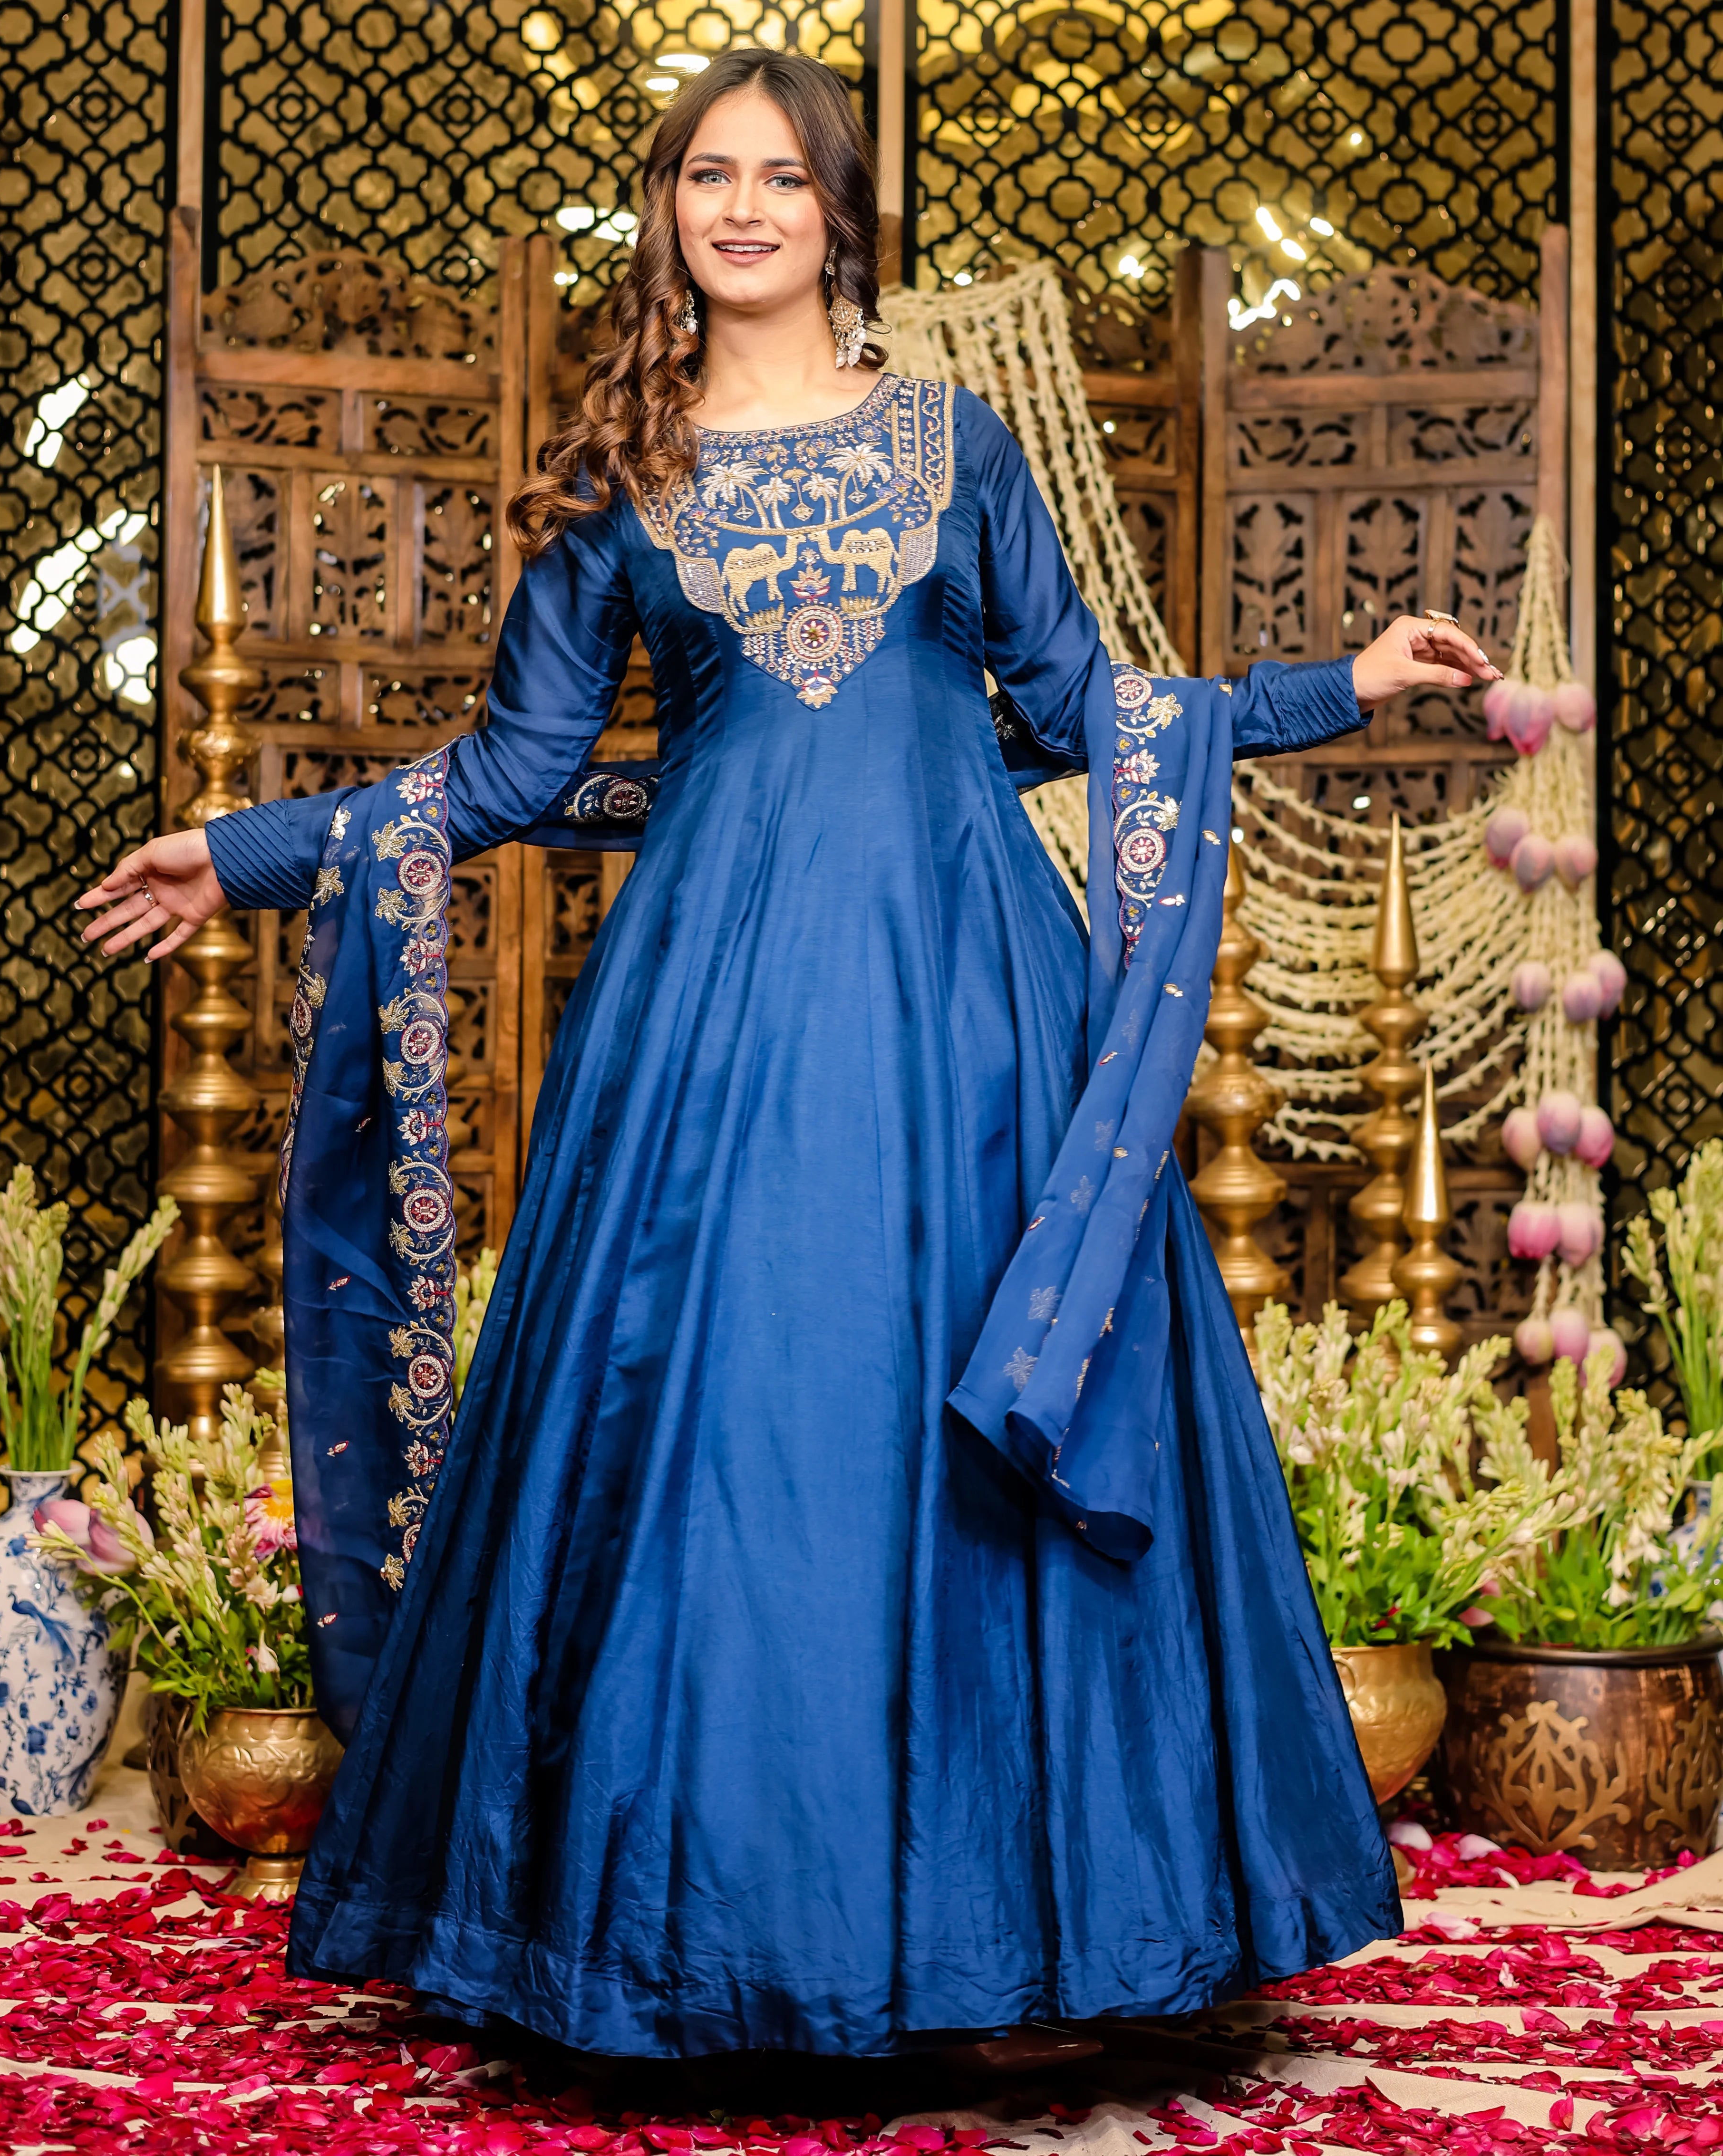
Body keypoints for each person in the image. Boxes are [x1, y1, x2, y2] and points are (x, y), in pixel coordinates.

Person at [81, 49, 1499, 2063]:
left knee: (955, 1438)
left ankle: (1014, 1952)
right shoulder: (618, 481)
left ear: (842, 217)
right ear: (666, 213)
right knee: (732, 1430)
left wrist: (1324, 685)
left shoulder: (956, 444)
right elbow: (515, 770)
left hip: (968, 1015)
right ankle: (688, 1953)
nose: (738, 208)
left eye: (779, 177)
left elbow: (1082, 710)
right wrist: (243, 852)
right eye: (703, 176)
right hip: (710, 1029)